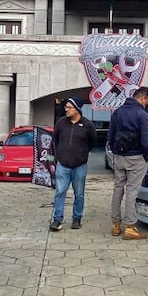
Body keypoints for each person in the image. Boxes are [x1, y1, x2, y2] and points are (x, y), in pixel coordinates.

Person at [107, 88, 148, 240]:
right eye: (146, 101)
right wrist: (146, 157)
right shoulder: (143, 115)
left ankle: (115, 225)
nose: (146, 104)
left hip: (119, 157)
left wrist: (116, 153)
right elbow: (146, 142)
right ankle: (130, 227)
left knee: (118, 188)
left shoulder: (117, 113)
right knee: (132, 191)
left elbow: (110, 136)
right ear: (142, 99)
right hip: (136, 157)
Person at [50, 97, 98, 231]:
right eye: (66, 107)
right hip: (63, 165)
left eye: (69, 107)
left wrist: (82, 154)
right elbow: (56, 140)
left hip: (80, 166)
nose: (66, 109)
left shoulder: (87, 125)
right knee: (60, 192)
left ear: (77, 109)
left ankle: (77, 218)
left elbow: (92, 142)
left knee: (79, 194)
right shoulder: (61, 123)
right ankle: (57, 219)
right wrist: (59, 155)